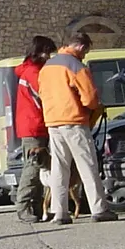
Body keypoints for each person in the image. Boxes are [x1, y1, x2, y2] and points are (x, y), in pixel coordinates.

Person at [38, 30, 118, 223]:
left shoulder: (47, 67)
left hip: (53, 122)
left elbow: (41, 93)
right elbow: (90, 98)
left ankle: (59, 212)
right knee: (87, 164)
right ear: (81, 46)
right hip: (74, 121)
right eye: (86, 51)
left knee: (59, 168)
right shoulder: (76, 66)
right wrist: (94, 108)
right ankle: (99, 209)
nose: (85, 55)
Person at [13, 35, 57, 223]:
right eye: (48, 52)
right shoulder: (33, 73)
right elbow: (46, 94)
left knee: (38, 168)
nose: (50, 56)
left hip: (34, 124)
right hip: (34, 126)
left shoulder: (30, 70)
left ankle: (38, 207)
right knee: (33, 167)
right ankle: (23, 206)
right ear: (40, 52)